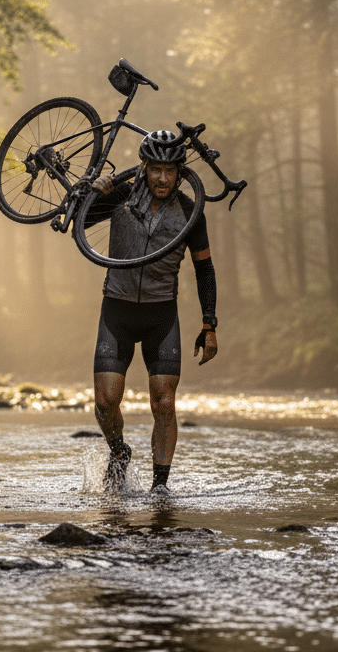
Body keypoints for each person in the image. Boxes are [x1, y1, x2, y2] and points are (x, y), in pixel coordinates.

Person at [86, 129, 218, 495]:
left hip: (162, 315)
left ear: (180, 172)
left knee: (163, 402)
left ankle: (160, 488)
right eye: (155, 169)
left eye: (170, 170)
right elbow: (79, 225)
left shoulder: (192, 213)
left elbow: (204, 269)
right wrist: (96, 193)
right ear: (143, 168)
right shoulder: (122, 197)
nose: (162, 178)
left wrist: (209, 324)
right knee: (105, 401)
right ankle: (119, 451)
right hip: (117, 310)